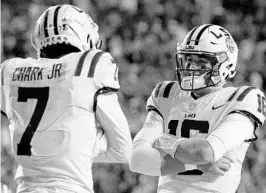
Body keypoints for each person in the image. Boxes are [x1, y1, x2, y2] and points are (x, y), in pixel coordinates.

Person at [1, 4, 132, 193]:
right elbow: (123, 150)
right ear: (82, 33)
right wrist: (85, 143)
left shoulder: (9, 71)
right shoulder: (90, 67)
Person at [130, 24, 265, 193]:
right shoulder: (167, 93)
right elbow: (137, 160)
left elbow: (205, 153)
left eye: (201, 62)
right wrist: (192, 163)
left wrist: (164, 141)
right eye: (188, 59)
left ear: (226, 66)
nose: (191, 67)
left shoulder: (243, 98)